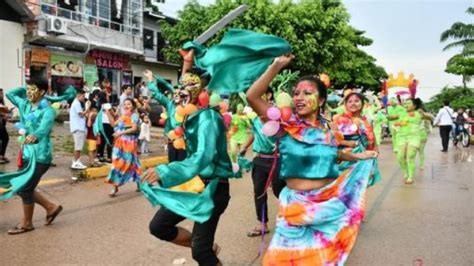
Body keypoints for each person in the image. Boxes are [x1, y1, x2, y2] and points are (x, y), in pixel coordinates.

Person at [246, 55, 379, 265]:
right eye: (296, 93)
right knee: (277, 261)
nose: (299, 97)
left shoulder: (329, 131)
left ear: (322, 100)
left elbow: (331, 154)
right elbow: (252, 97)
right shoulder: (285, 127)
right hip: (294, 208)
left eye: (307, 93)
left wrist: (357, 156)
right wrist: (276, 66)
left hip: (328, 206)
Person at [141, 71, 233, 266]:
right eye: (180, 88)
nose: (180, 93)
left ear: (202, 93)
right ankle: (206, 248)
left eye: (187, 88)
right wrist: (152, 83)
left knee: (201, 253)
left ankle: (204, 250)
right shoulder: (190, 116)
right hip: (192, 183)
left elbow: (203, 157)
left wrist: (164, 171)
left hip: (211, 189)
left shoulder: (209, 118)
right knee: (159, 226)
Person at [4, 82, 64, 234]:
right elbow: (10, 94)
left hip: (40, 156)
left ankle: (27, 223)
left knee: (25, 188)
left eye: (33, 89)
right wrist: (27, 87)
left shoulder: (48, 111)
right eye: (28, 89)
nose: (29, 92)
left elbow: (44, 128)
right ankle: (51, 207)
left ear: (42, 92)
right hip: (25, 153)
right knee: (21, 186)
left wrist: (35, 135)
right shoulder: (24, 105)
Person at [240, 88, 286, 237]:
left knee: (281, 192)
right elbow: (255, 133)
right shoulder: (254, 117)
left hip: (277, 159)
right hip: (259, 159)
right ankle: (262, 224)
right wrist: (244, 147)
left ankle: (292, 220)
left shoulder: (278, 114)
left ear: (269, 95)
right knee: (259, 192)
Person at [332, 92, 382, 185]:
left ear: (363, 104)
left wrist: (376, 148)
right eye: (350, 101)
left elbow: (371, 132)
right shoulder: (339, 119)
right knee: (345, 185)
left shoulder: (365, 118)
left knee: (361, 186)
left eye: (357, 101)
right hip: (348, 156)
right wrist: (347, 143)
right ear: (345, 104)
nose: (353, 104)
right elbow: (333, 138)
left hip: (366, 154)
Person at [105, 98, 141, 197]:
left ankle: (139, 183)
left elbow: (134, 128)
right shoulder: (123, 116)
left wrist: (120, 132)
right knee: (116, 165)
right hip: (119, 144)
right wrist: (107, 112)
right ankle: (114, 187)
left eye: (129, 104)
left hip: (130, 143)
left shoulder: (134, 116)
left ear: (133, 106)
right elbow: (113, 124)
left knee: (132, 164)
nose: (126, 106)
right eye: (125, 104)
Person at [395, 98, 433, 184]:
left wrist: (423, 113)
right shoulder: (401, 113)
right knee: (400, 157)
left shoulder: (419, 113)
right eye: (405, 103)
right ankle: (405, 172)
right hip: (401, 137)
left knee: (410, 156)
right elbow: (391, 118)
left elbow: (431, 117)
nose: (406, 105)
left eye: (408, 103)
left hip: (414, 137)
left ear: (414, 105)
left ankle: (410, 176)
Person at [69, 89, 88, 170]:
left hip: (78, 127)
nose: (84, 98)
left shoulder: (77, 103)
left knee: (79, 146)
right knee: (78, 146)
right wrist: (88, 108)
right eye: (83, 96)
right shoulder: (76, 103)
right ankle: (76, 162)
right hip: (78, 127)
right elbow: (81, 114)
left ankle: (77, 161)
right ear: (78, 95)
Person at [96, 91, 113, 163]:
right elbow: (113, 114)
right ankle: (109, 157)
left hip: (100, 124)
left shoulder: (98, 104)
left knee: (102, 140)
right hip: (108, 123)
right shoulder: (107, 105)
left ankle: (101, 156)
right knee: (109, 140)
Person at [0, 88, 10, 164]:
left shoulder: (1, 102)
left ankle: (2, 155)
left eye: (2, 94)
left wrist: (6, 115)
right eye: (0, 94)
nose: (1, 95)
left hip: (2, 123)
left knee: (5, 138)